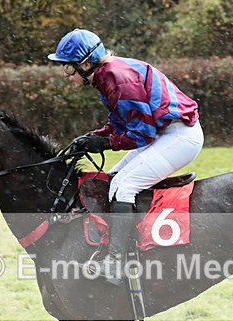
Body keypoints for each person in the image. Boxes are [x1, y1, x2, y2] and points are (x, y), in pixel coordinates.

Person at [48, 29, 204, 285]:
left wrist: (105, 143)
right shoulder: (107, 75)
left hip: (180, 136)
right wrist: (93, 137)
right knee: (112, 179)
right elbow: (120, 123)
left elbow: (142, 133)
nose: (66, 74)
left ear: (85, 65)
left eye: (68, 67)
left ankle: (117, 262)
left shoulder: (116, 78)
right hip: (164, 133)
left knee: (124, 187)